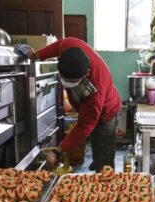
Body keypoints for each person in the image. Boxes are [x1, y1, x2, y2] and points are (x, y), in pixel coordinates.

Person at [19, 37, 121, 172]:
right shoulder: (70, 45)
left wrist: (57, 151)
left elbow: (84, 127)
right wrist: (37, 55)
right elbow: (58, 45)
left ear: (86, 73)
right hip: (94, 110)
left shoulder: (95, 92)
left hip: (107, 113)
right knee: (97, 144)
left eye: (72, 83)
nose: (67, 85)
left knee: (103, 157)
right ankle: (98, 161)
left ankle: (103, 174)